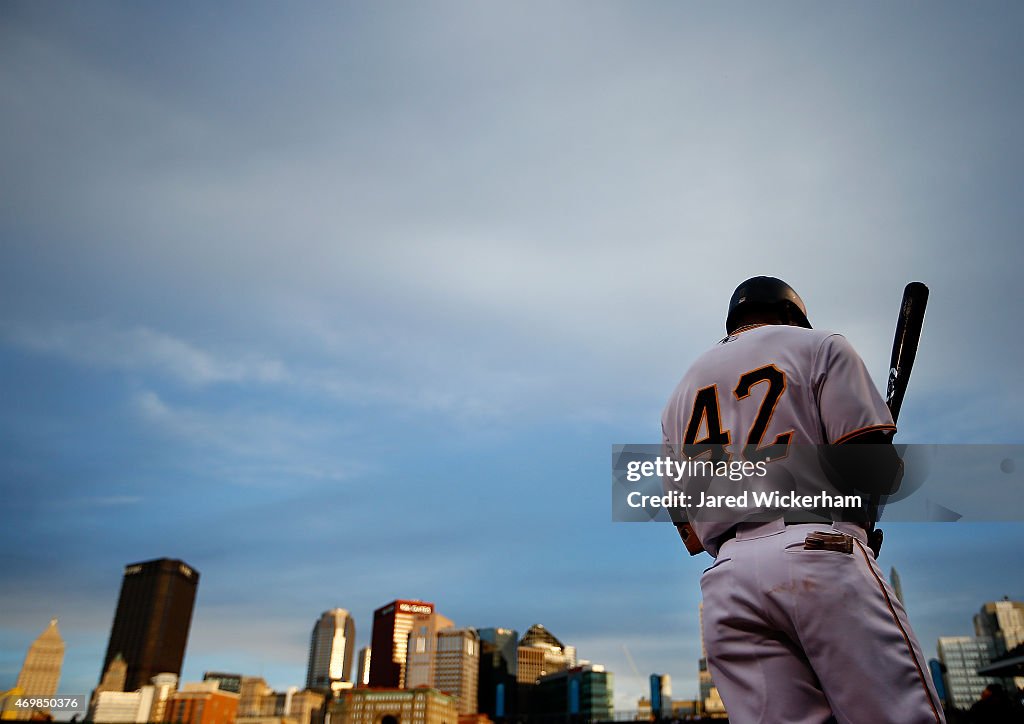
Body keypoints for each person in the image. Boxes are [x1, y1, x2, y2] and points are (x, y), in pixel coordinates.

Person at [660, 276, 944, 724]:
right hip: (818, 548)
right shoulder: (819, 345)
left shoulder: (679, 396)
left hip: (726, 579)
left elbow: (691, 535)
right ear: (793, 315)